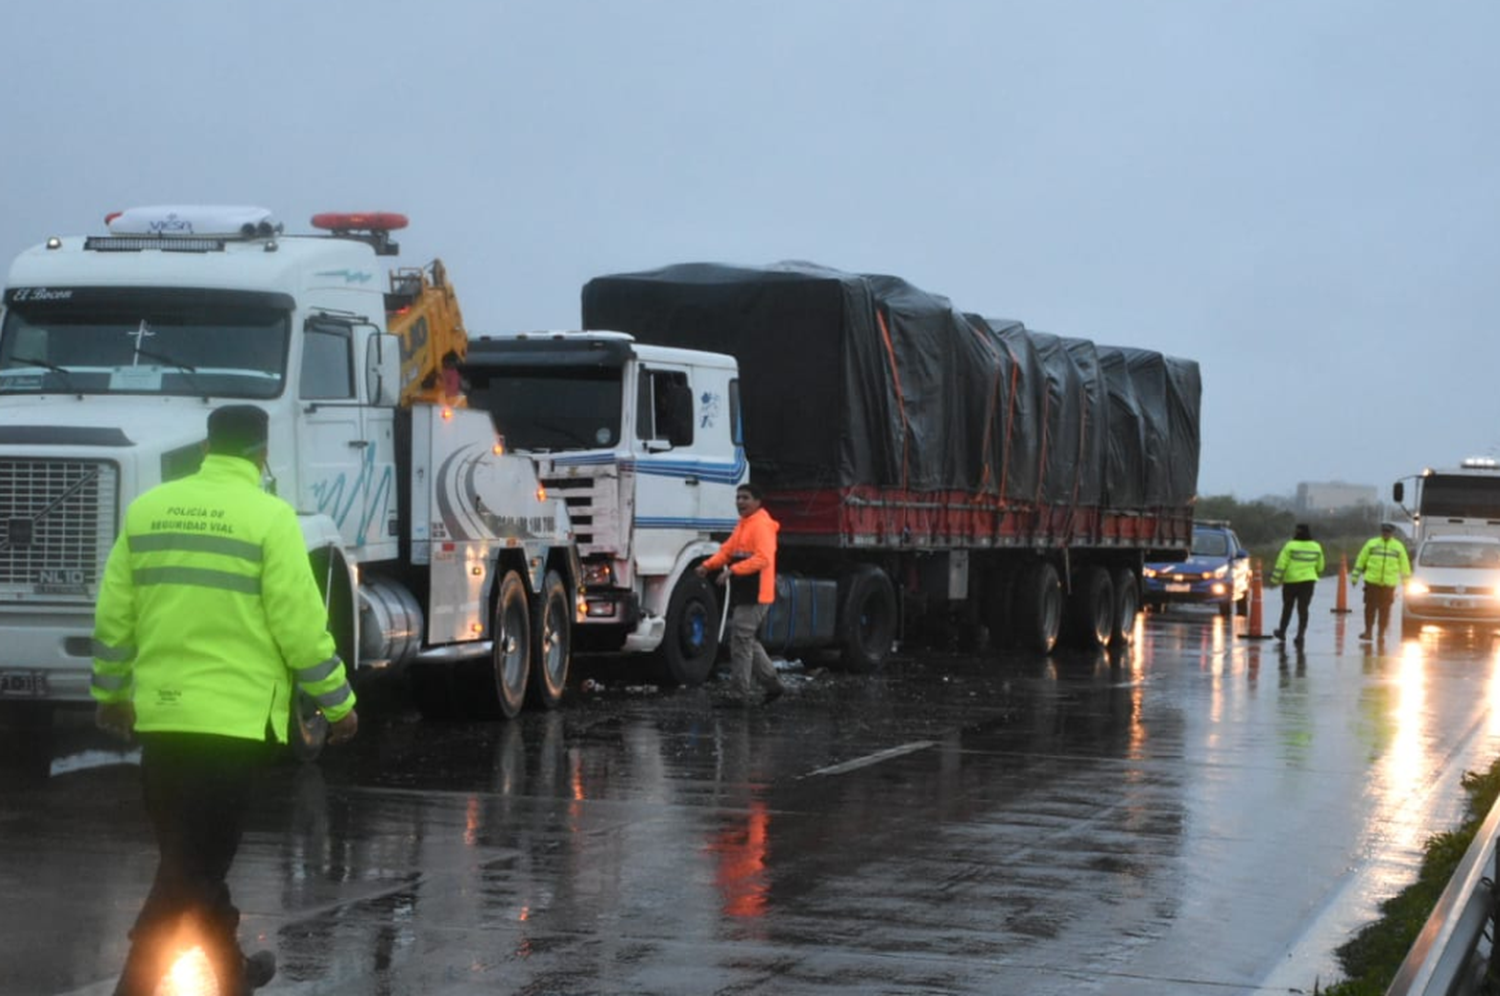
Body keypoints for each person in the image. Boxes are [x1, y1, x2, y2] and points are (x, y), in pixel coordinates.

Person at [91, 405, 359, 996]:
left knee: (190, 861)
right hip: (231, 730)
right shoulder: (270, 518)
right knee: (190, 872)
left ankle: (232, 973)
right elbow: (300, 624)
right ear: (262, 454)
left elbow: (114, 616)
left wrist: (111, 693)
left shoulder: (148, 510)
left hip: (161, 722)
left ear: (207, 447)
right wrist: (337, 704)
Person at [696, 482, 787, 705]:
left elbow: (763, 558)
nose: (740, 502)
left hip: (757, 592)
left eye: (745, 498)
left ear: (757, 501)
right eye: (738, 498)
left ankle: (739, 694)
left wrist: (731, 572)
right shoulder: (744, 525)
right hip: (746, 591)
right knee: (746, 640)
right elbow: (727, 550)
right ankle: (772, 684)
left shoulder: (761, 525)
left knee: (741, 640)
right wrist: (707, 566)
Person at [1350, 522, 1412, 643]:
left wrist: (1406, 583)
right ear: (1381, 532)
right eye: (1384, 532)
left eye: (1388, 532)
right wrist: (1355, 577)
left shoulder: (1398, 546)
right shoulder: (1371, 543)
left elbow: (1405, 566)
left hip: (1388, 584)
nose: (1386, 534)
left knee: (1385, 609)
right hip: (1372, 581)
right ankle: (1368, 631)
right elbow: (1361, 560)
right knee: (1369, 608)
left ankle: (1381, 632)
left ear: (1392, 533)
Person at [1269, 523, 1324, 649]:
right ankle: (1300, 635)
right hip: (1308, 581)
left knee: (1287, 607)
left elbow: (1281, 563)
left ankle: (1282, 632)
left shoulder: (1290, 545)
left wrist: (1275, 579)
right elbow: (1320, 565)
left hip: (1291, 581)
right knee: (1303, 609)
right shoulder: (1316, 546)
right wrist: (1315, 574)